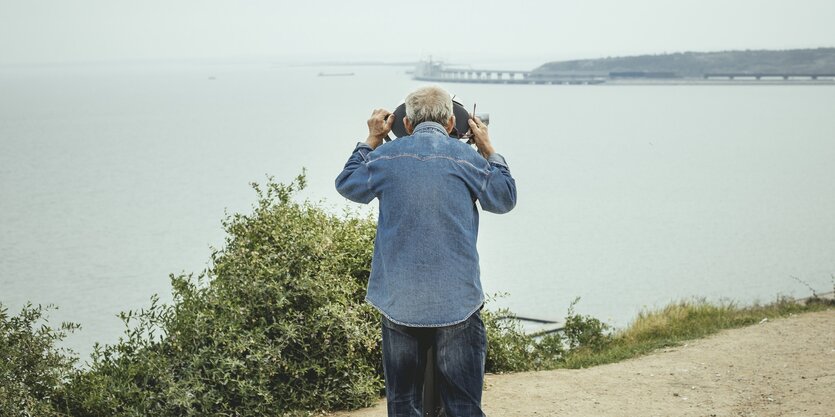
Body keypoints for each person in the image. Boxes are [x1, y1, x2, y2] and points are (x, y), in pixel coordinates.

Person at [335, 86, 516, 417]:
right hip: (457, 301)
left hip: (399, 301)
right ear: (451, 124)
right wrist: (488, 148)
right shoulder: (469, 159)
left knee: (404, 404)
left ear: (405, 124)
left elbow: (348, 184)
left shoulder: (384, 159)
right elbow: (503, 199)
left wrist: (372, 139)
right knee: (463, 406)